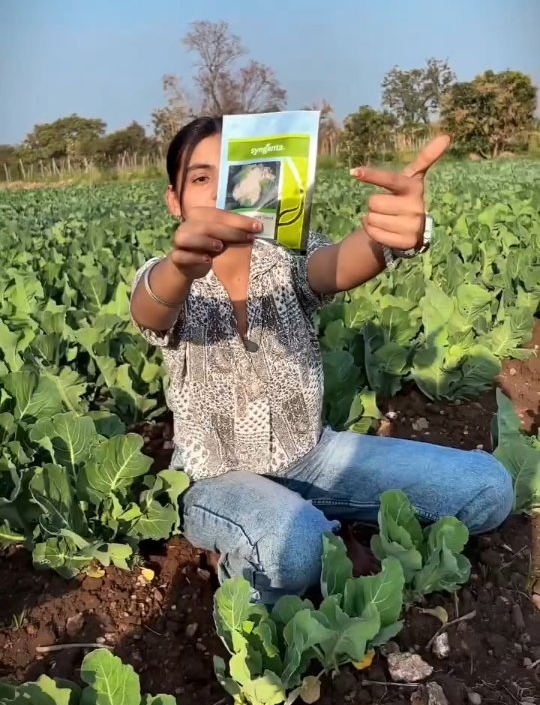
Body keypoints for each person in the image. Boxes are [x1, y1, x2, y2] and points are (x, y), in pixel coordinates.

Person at [131, 115, 513, 603]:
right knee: (297, 549)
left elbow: (335, 265)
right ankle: (276, 541)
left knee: (488, 488)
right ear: (174, 200)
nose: (221, 193)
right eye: (203, 178)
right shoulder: (170, 276)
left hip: (314, 457)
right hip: (216, 480)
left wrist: (389, 236)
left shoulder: (286, 257)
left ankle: (310, 522)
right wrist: (180, 266)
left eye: (236, 174)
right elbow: (152, 306)